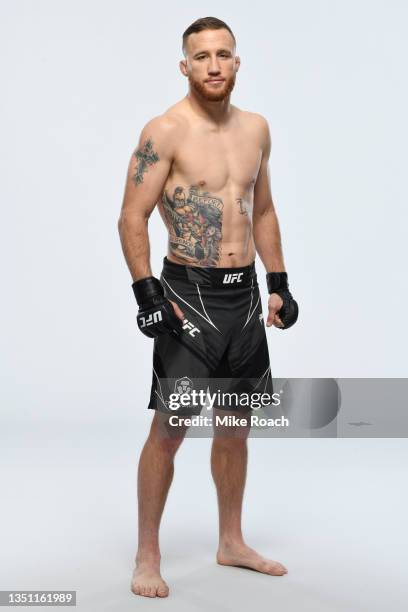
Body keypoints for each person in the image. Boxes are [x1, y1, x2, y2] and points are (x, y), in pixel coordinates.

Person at [118, 16, 298, 599]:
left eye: (223, 54)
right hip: (186, 293)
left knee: (236, 426)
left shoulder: (256, 130)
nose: (214, 65)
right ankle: (148, 554)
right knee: (171, 429)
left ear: (237, 62)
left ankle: (231, 542)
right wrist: (146, 292)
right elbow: (131, 215)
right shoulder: (165, 131)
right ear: (185, 66)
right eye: (202, 56)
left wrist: (280, 282)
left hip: (243, 295)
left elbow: (262, 209)